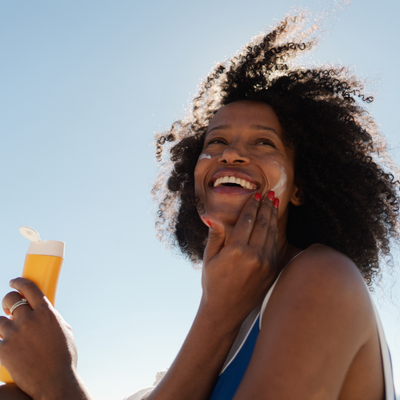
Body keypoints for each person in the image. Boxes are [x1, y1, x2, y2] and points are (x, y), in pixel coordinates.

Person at [0, 13, 398, 400]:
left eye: (264, 143)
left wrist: (57, 382)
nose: (233, 154)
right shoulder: (227, 322)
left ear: (300, 188)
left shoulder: (322, 277)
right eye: (215, 143)